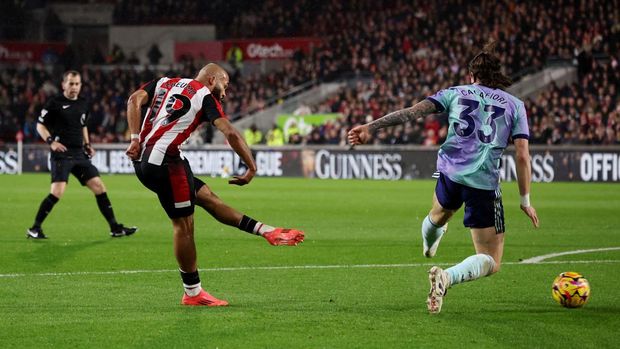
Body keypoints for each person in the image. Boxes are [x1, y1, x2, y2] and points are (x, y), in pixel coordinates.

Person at [348, 41, 539, 314]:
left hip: (450, 174)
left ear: (472, 76)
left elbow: (411, 113)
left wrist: (371, 126)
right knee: (490, 259)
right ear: (498, 76)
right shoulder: (515, 105)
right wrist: (525, 200)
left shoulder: (456, 92)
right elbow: (522, 155)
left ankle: (429, 244)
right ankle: (447, 277)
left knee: (438, 216)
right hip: (483, 184)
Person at [125, 63, 304, 307]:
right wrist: (251, 166)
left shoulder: (165, 82)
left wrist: (135, 138)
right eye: (225, 84)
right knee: (184, 226)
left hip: (146, 160)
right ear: (212, 79)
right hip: (165, 162)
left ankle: (266, 230)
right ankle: (193, 293)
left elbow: (134, 100)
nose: (225, 92)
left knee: (206, 196)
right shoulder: (205, 95)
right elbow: (229, 132)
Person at [27, 70, 137, 239]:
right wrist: (51, 142)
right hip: (62, 154)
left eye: (77, 84)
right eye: (71, 83)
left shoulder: (83, 103)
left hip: (79, 153)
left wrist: (87, 144)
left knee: (99, 187)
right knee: (57, 192)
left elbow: (83, 125)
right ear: (63, 84)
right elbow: (40, 125)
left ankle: (115, 228)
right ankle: (35, 228)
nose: (74, 87)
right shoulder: (54, 103)